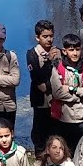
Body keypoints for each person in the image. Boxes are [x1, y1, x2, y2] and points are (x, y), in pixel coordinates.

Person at [49, 33, 83, 154]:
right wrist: (81, 96)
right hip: (64, 118)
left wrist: (73, 89)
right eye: (71, 50)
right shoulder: (57, 69)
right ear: (64, 51)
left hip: (82, 118)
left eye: (77, 49)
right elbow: (58, 93)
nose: (75, 53)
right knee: (64, 152)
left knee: (82, 152)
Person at [25, 19, 58, 152]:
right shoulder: (32, 54)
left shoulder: (58, 52)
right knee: (39, 131)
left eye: (51, 36)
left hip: (56, 100)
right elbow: (38, 80)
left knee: (55, 131)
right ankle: (40, 156)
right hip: (40, 101)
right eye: (45, 36)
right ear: (37, 38)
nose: (49, 39)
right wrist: (49, 61)